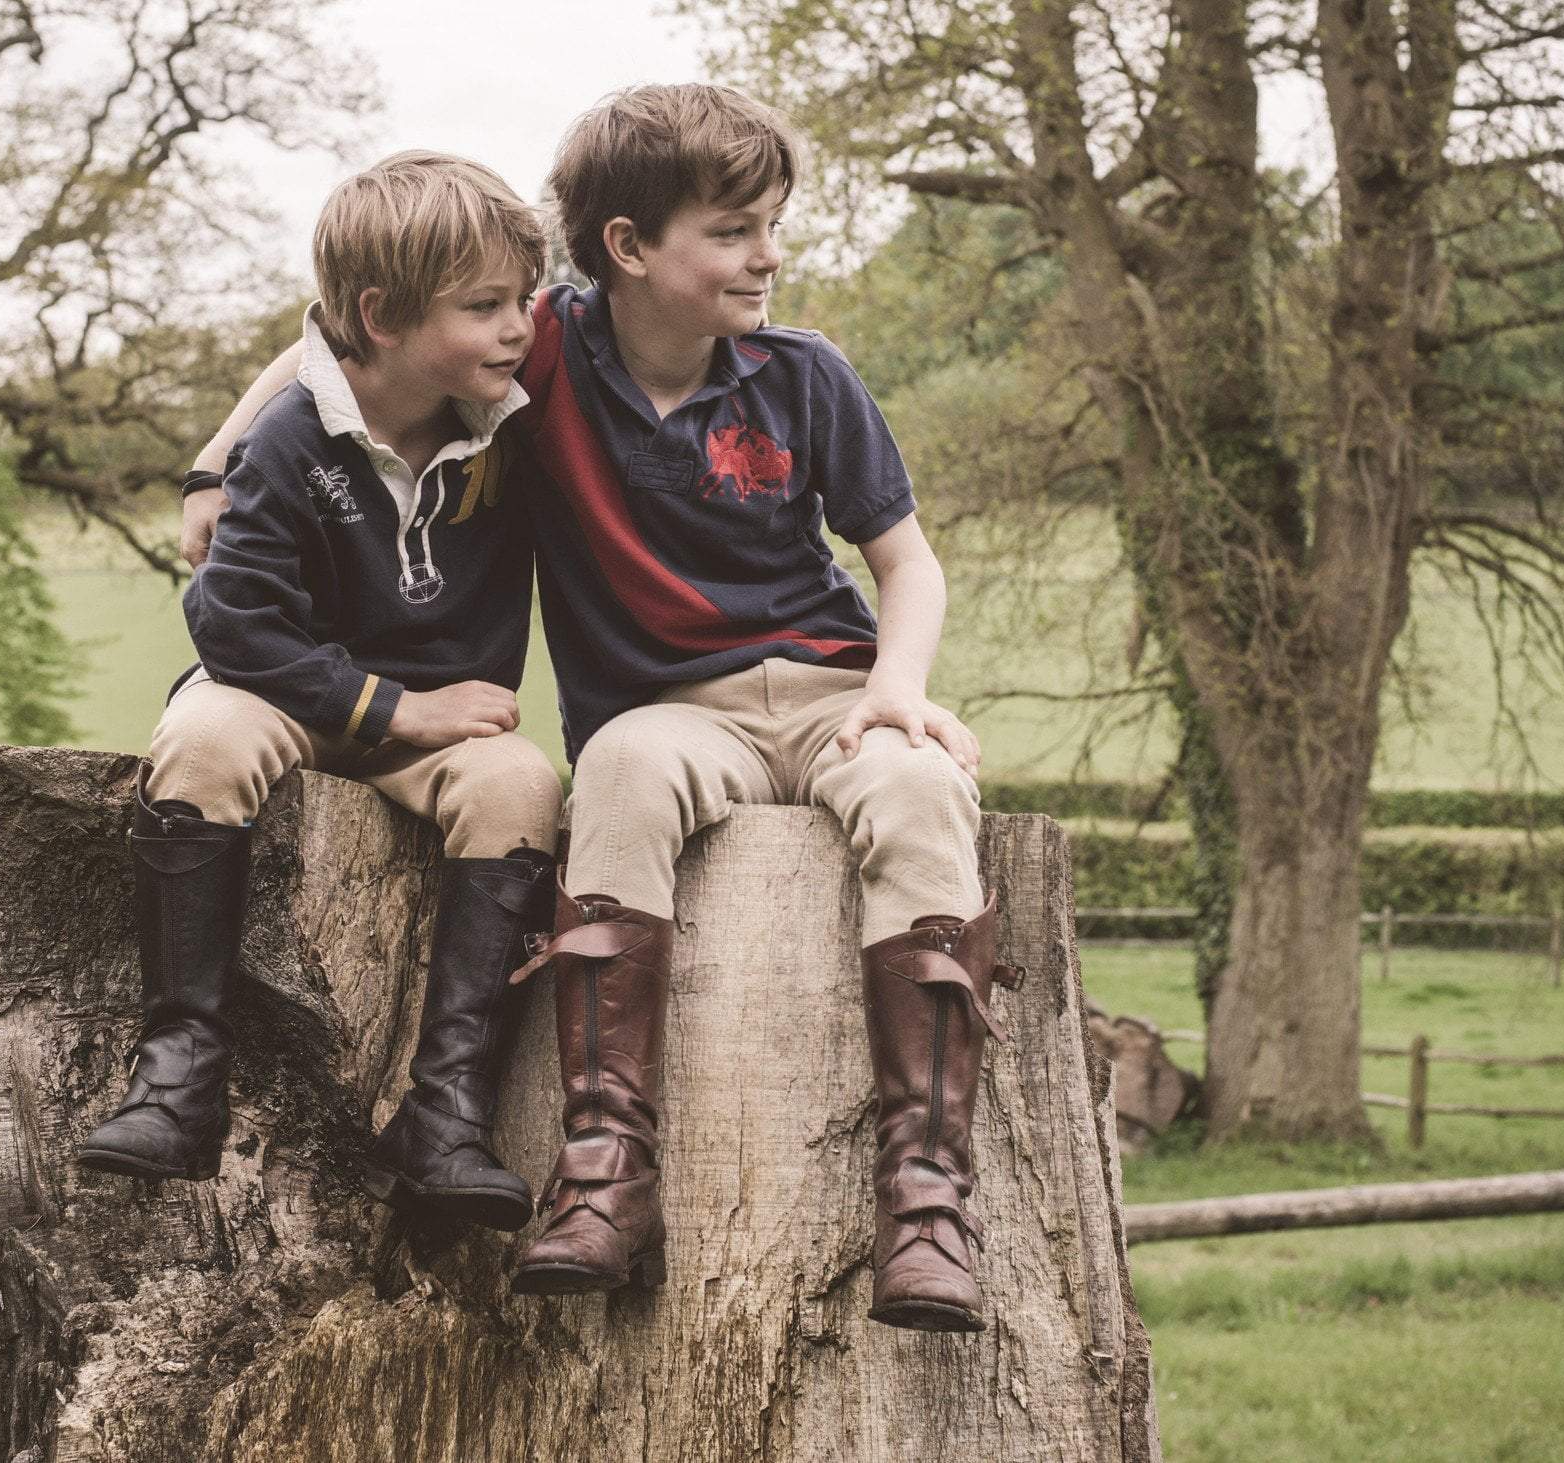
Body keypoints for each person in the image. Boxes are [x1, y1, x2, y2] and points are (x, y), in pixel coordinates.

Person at [183, 86, 1013, 1334]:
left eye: (770, 224)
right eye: (732, 231)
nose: (767, 254)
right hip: (667, 710)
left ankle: (928, 1199)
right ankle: (607, 1172)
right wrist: (216, 463)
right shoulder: (542, 351)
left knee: (919, 792)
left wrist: (898, 691)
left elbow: (905, 559)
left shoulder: (804, 373)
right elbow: (339, 345)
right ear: (627, 249)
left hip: (836, 686)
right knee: (613, 775)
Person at [78, 153, 564, 1239]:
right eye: (484, 306)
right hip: (281, 685)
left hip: (439, 713)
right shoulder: (297, 435)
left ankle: (442, 1116)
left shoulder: (513, 421)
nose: (516, 327)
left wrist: (422, 717)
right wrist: (395, 710)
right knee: (201, 739)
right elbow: (234, 626)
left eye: (519, 301)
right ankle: (177, 1077)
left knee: (519, 784)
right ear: (381, 317)